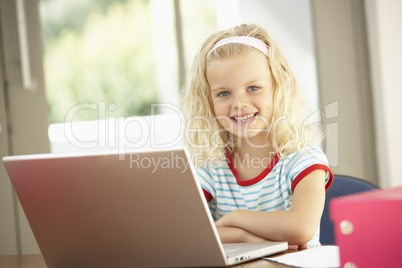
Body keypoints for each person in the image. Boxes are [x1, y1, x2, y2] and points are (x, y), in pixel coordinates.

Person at [181, 24, 333, 248]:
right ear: (208, 102)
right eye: (224, 93)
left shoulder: (305, 159)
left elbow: (301, 228)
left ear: (278, 88)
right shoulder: (211, 167)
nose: (239, 104)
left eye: (253, 88)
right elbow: (181, 232)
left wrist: (235, 218)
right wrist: (246, 238)